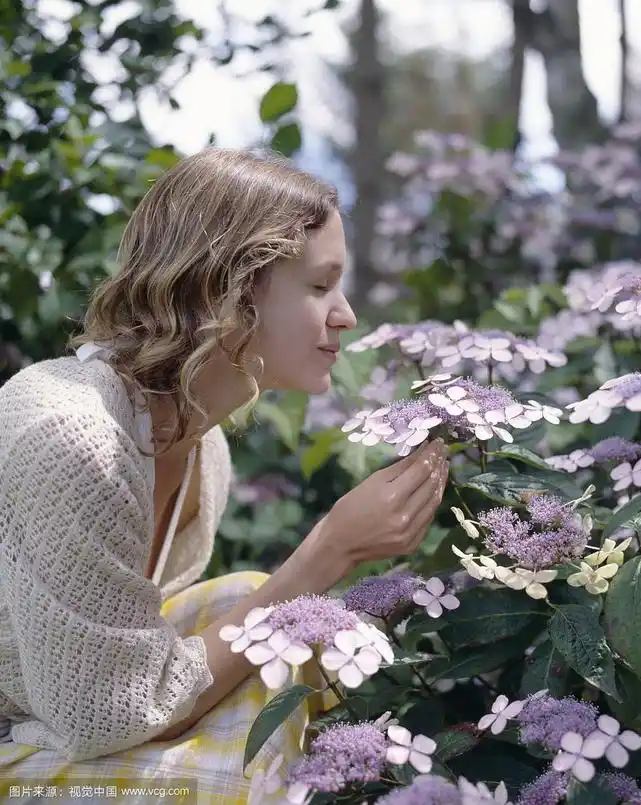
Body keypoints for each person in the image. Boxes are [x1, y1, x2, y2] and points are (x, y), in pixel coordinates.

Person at [0, 148, 449, 802]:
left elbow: (127, 671)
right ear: (229, 292)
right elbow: (104, 712)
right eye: (321, 286)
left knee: (281, 619)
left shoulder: (202, 448)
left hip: (58, 705)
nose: (346, 314)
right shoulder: (77, 439)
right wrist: (331, 548)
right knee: (235, 763)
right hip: (36, 722)